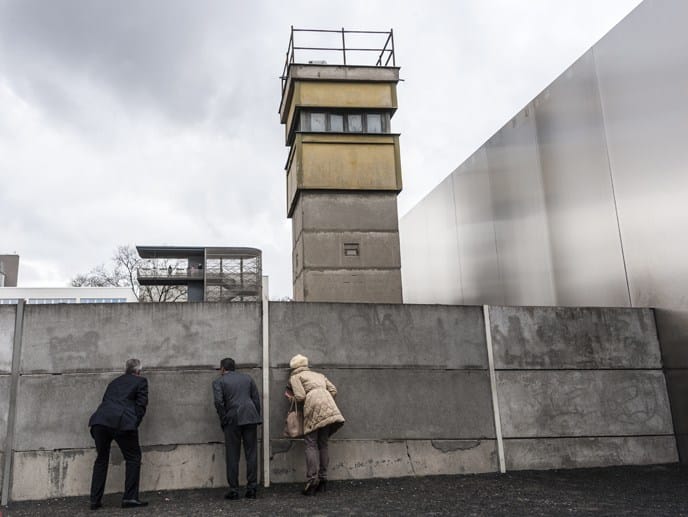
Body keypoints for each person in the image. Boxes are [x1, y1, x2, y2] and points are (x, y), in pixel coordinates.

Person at [88, 358, 149, 510]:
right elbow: (141, 405)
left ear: (126, 369)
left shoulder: (114, 382)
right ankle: (129, 498)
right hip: (122, 423)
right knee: (133, 457)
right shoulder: (140, 381)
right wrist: (134, 423)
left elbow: (105, 401)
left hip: (99, 421)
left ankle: (95, 500)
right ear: (138, 371)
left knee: (101, 459)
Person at [287, 354, 344, 496]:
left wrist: (291, 398)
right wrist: (323, 398)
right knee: (323, 443)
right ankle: (323, 479)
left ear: (293, 367)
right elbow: (334, 390)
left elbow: (300, 396)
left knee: (310, 443)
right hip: (329, 404)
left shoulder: (295, 377)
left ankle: (312, 480)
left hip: (313, 405)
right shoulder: (318, 375)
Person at [212, 357, 262, 500]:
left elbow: (218, 402)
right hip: (250, 417)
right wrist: (256, 416)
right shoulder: (247, 378)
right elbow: (256, 399)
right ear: (234, 367)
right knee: (251, 452)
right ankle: (252, 488)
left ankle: (234, 489)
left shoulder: (219, 382)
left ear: (222, 368)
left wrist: (224, 418)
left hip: (232, 418)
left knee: (232, 454)